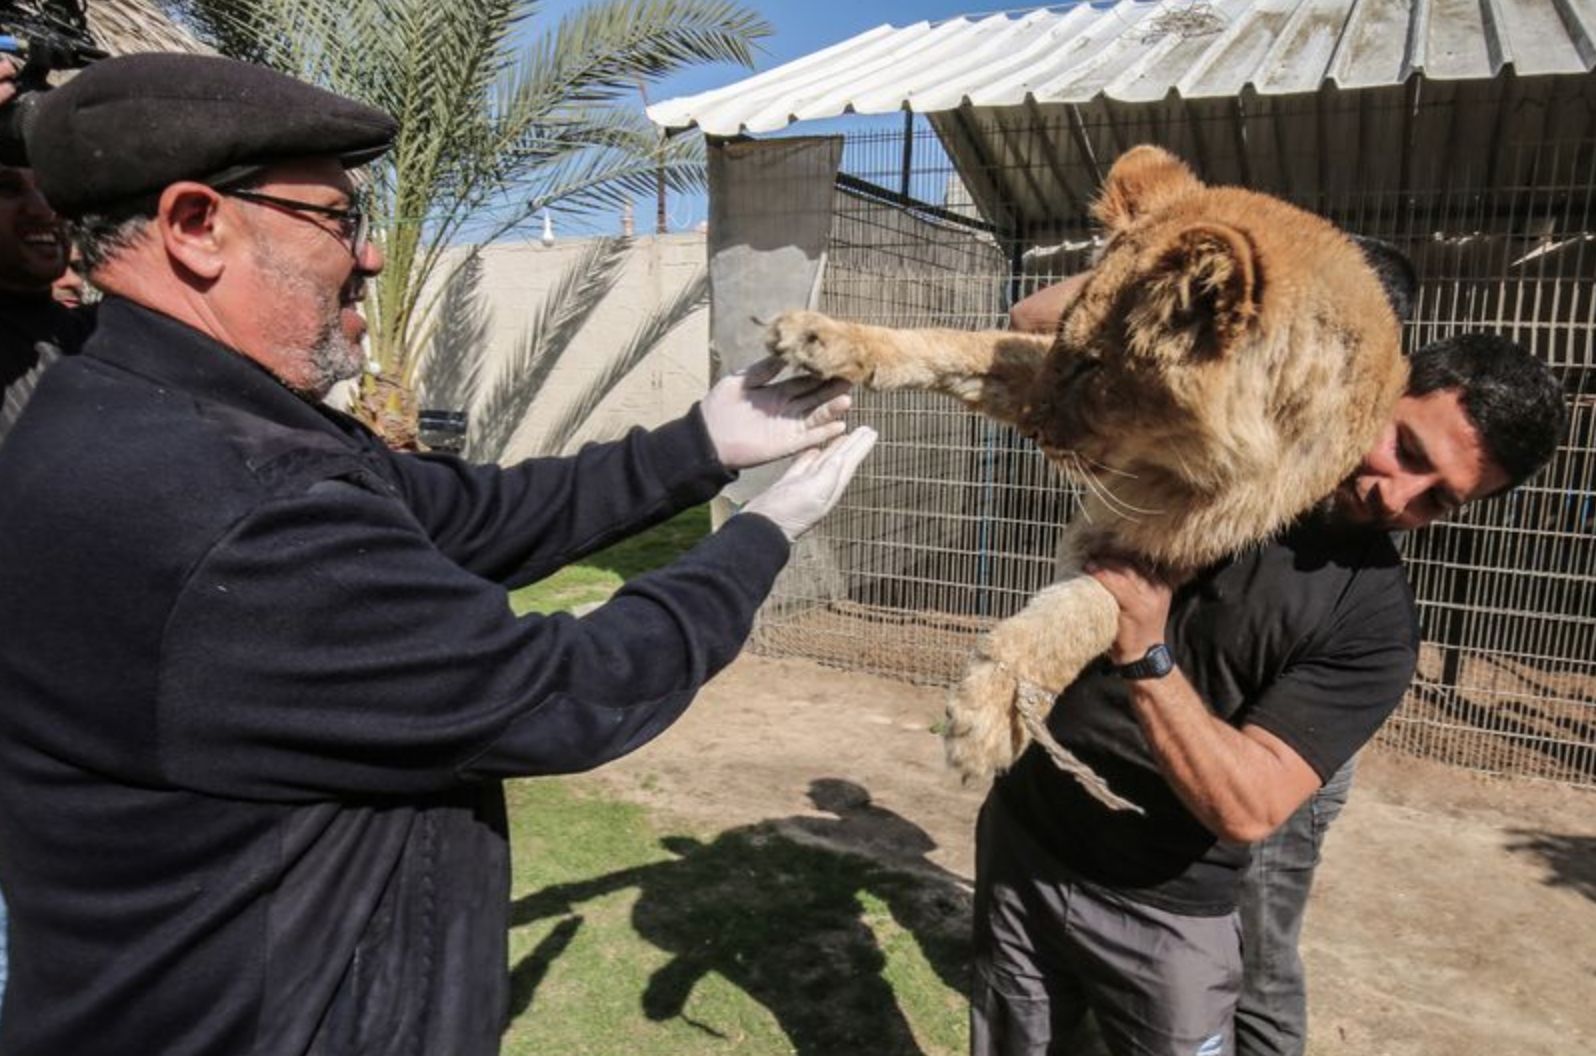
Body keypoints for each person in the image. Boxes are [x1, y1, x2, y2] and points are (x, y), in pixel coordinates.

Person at [0, 52, 875, 1056]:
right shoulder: (225, 504)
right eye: (337, 220)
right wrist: (765, 534)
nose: (368, 257)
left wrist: (701, 447)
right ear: (200, 226)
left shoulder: (165, 414)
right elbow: (567, 694)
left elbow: (474, 516)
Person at [979, 266, 1565, 1052]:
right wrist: (1207, 244)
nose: (1400, 497)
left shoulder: (1373, 627)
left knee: (1264, 968)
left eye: (1437, 500)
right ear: (1382, 385)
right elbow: (1038, 319)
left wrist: (1146, 649)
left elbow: (1250, 808)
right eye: (1406, 448)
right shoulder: (1229, 425)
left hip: (1161, 907)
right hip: (1025, 836)